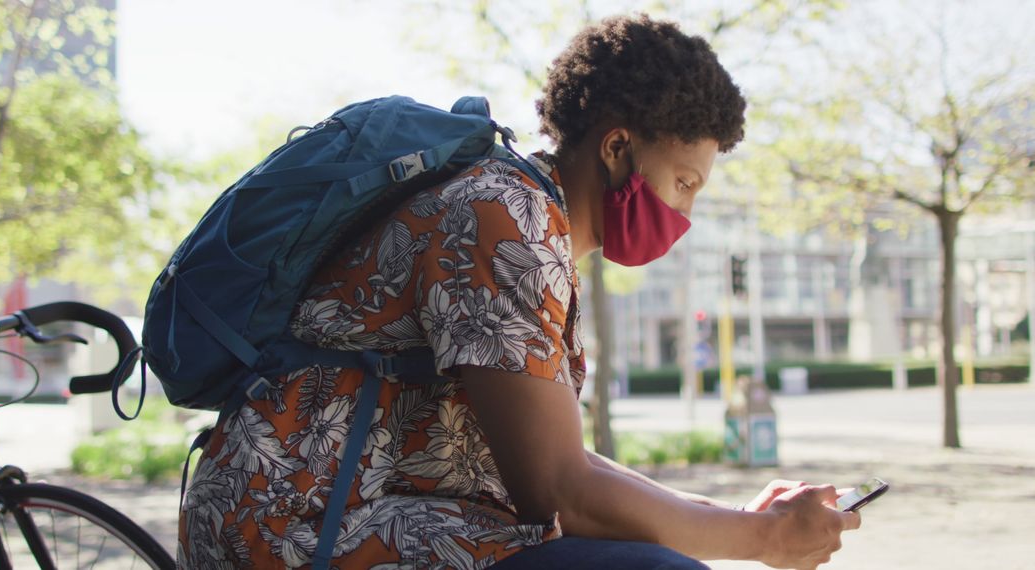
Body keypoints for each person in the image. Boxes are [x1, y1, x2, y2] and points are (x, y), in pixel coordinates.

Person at [177, 14, 860, 570]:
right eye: (684, 182)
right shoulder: (505, 220)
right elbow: (560, 491)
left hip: (370, 511)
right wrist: (766, 541)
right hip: (299, 525)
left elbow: (562, 461)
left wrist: (737, 520)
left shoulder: (534, 223)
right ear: (618, 147)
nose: (686, 214)